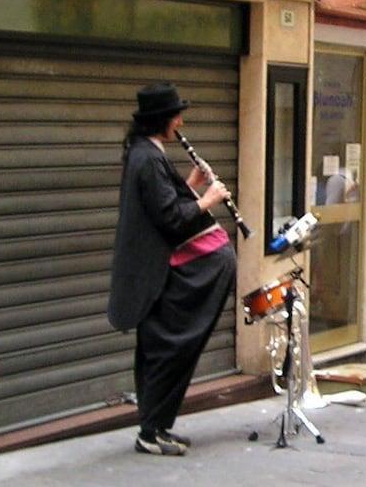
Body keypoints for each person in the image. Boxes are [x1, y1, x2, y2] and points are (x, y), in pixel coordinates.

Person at [107, 84, 236, 456]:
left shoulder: (148, 153)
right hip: (158, 275)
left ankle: (158, 427)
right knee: (166, 351)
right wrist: (209, 199)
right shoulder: (146, 157)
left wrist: (191, 185)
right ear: (161, 120)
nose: (180, 121)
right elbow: (168, 218)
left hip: (158, 272)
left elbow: (163, 200)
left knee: (165, 351)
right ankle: (150, 432)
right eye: (175, 115)